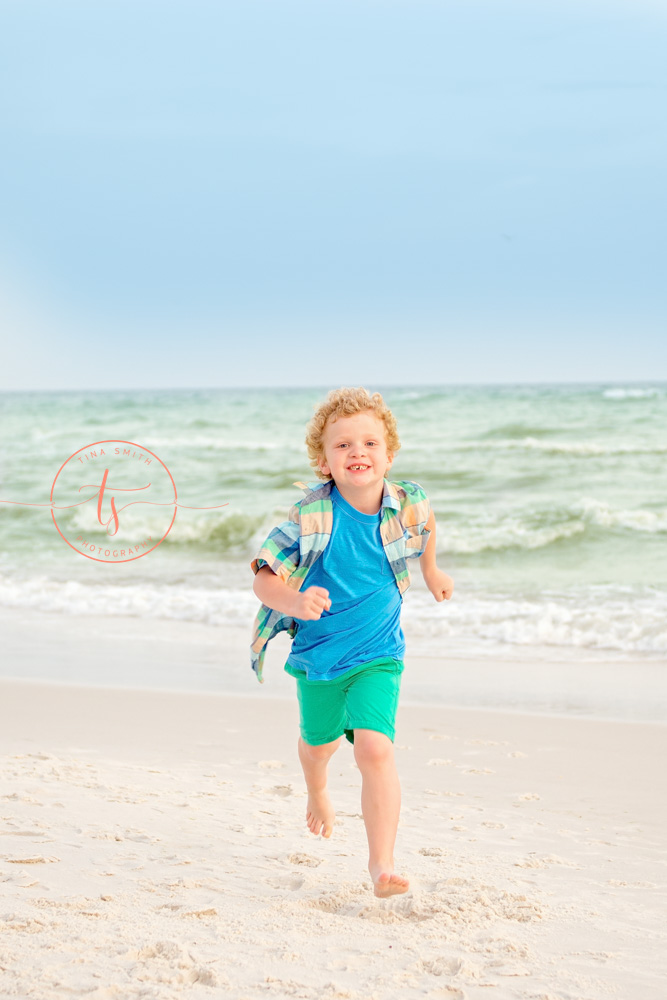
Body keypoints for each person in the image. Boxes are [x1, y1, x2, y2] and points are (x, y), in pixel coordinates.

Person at [250, 386, 453, 898]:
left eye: (369, 443)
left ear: (389, 453)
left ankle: (381, 865)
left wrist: (430, 569)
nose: (357, 452)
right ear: (323, 461)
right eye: (342, 446)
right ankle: (317, 790)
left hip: (379, 654)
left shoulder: (408, 499)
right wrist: (293, 602)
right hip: (320, 657)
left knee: (374, 751)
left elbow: (426, 524)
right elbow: (263, 575)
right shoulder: (309, 516)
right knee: (318, 747)